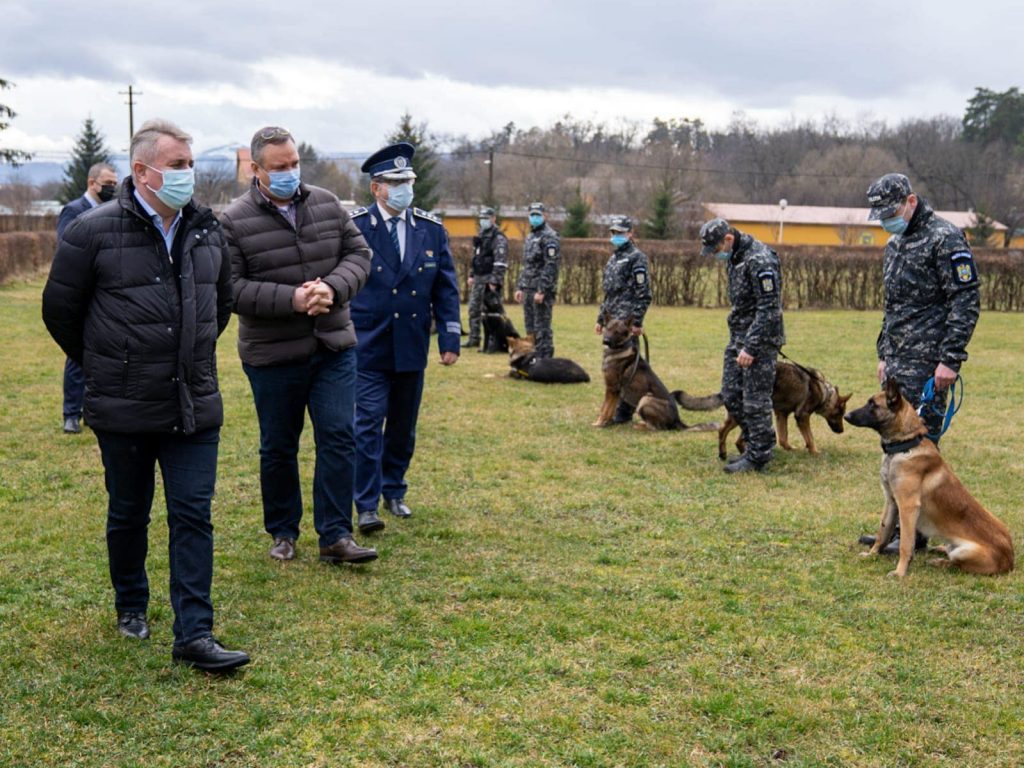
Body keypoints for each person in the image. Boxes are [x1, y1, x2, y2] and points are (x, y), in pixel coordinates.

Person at [41, 119, 248, 672]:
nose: (188, 174)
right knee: (129, 513)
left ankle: (195, 633)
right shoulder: (92, 231)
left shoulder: (209, 231)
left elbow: (220, 306)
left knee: (193, 514)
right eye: (178, 165)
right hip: (124, 404)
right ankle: (131, 603)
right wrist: (110, 363)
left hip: (193, 401)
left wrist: (190, 355)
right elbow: (60, 312)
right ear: (142, 171)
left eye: (190, 163)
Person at [221, 126, 378, 566]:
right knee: (278, 445)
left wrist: (332, 288)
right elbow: (230, 289)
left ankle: (335, 534)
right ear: (256, 169)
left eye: (294, 163)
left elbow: (359, 256)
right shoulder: (232, 221)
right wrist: (291, 299)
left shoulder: (327, 203)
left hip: (332, 345)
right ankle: (283, 530)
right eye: (279, 167)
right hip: (273, 354)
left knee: (338, 435)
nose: (290, 172)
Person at [858, 172, 981, 554]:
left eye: (889, 211)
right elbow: (892, 307)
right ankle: (895, 528)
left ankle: (917, 534)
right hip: (897, 362)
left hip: (929, 364)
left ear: (910, 202)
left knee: (919, 450)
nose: (884, 219)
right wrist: (883, 352)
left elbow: (965, 301)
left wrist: (950, 359)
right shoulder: (895, 243)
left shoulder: (945, 239)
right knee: (894, 451)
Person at [349, 142, 461, 527]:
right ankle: (364, 503)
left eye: (409, 180)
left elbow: (446, 289)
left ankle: (393, 490)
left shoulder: (430, 230)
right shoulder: (357, 228)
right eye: (396, 182)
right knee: (366, 425)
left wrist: (449, 339)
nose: (404, 188)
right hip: (368, 344)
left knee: (401, 425)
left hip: (411, 344)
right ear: (376, 187)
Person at [699, 217, 785, 473]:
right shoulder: (736, 257)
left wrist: (751, 347)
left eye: (715, 249)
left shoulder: (760, 259)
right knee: (731, 393)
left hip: (759, 340)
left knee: (755, 399)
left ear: (728, 239)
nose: (715, 255)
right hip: (738, 336)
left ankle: (759, 456)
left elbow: (769, 308)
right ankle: (755, 441)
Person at [56, 161, 119, 434]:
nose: (111, 188)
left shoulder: (113, 211)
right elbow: (67, 249)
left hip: (107, 294)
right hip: (83, 294)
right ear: (92, 183)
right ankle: (71, 412)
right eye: (107, 184)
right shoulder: (73, 211)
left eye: (114, 184)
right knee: (78, 357)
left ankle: (95, 410)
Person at [594, 215, 652, 424]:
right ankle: (615, 407)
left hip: (626, 325)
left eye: (620, 233)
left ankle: (624, 410)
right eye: (613, 233)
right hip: (612, 323)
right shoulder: (614, 258)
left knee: (629, 370)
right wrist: (601, 319)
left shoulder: (637, 258)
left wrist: (636, 322)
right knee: (613, 368)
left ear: (630, 233)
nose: (616, 236)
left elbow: (643, 293)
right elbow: (608, 294)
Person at [514, 202, 560, 359]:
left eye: (537, 215)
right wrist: (520, 286)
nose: (534, 218)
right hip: (528, 288)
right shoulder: (530, 236)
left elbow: (551, 265)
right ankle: (533, 357)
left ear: (544, 216)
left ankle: (545, 359)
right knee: (530, 327)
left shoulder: (550, 236)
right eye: (532, 215)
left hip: (540, 290)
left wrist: (542, 290)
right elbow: (527, 265)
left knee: (542, 327)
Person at [463, 205, 509, 350]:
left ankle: (495, 340)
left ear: (493, 219)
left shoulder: (498, 238)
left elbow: (500, 261)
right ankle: (474, 337)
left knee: (492, 312)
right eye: (481, 218)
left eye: (486, 218)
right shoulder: (481, 236)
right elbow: (476, 258)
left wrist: (494, 280)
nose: (483, 221)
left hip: (490, 279)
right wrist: (471, 275)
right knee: (474, 309)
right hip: (478, 278)